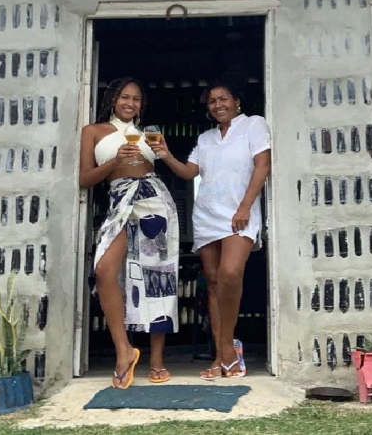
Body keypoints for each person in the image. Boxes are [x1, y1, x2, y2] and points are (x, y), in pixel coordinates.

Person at [151, 79, 271, 379]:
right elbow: (190, 172)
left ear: (236, 101)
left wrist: (245, 207)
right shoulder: (205, 139)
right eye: (212, 102)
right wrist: (166, 154)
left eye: (223, 98)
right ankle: (221, 357)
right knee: (214, 285)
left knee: (231, 273)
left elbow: (263, 166)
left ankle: (229, 348)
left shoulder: (254, 125)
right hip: (207, 217)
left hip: (238, 214)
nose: (218, 105)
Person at [79, 77, 179, 389]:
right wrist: (113, 161)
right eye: (124, 97)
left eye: (136, 99)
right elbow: (85, 180)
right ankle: (124, 351)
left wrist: (164, 152)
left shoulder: (149, 134)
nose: (130, 103)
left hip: (154, 201)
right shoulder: (94, 131)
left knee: (156, 276)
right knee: (105, 270)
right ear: (112, 99)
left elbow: (167, 166)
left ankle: (157, 358)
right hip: (119, 200)